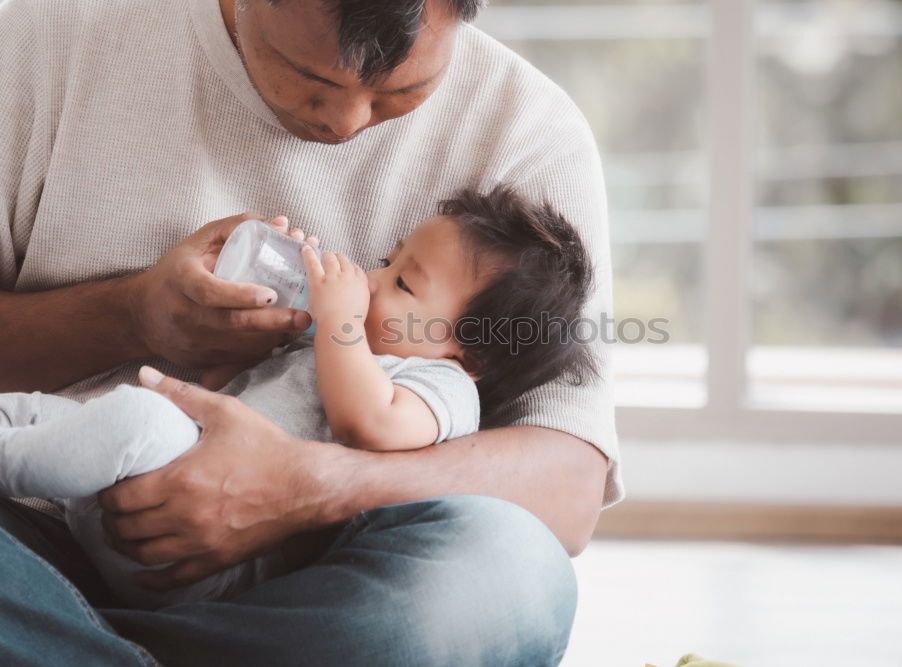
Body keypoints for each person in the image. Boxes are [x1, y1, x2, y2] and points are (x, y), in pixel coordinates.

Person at [0, 0, 622, 663]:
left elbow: (568, 487)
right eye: (311, 77)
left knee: (507, 572)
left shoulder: (525, 133)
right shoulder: (43, 42)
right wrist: (136, 316)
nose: (346, 121)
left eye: (401, 91)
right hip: (38, 522)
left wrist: (302, 487)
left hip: (303, 580)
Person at [0, 186, 598, 610]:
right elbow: (224, 400)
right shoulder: (331, 352)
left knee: (134, 415)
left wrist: (338, 319)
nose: (369, 277)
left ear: (471, 355)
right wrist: (240, 348)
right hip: (131, 488)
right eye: (388, 262)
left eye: (403, 283)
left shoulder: (442, 389)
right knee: (49, 411)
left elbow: (370, 425)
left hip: (203, 561)